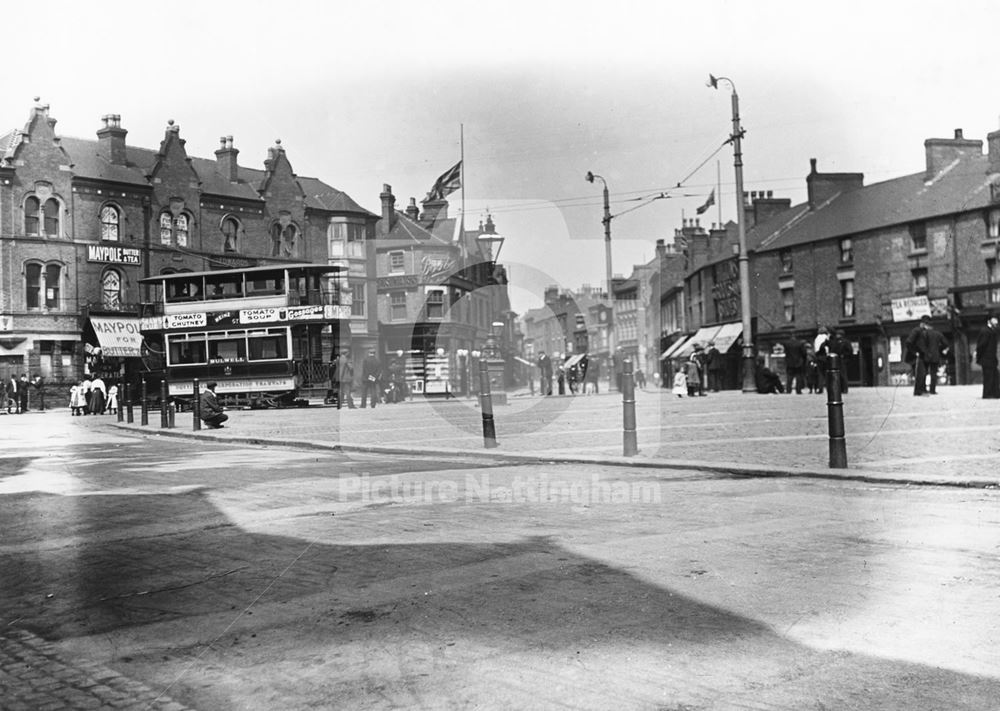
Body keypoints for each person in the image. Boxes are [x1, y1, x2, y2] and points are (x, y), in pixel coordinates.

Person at [906, 315, 948, 396]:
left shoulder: (923, 332)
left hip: (924, 355)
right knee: (922, 373)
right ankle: (920, 391)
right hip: (921, 355)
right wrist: (915, 352)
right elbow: (909, 342)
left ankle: (922, 390)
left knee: (923, 373)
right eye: (926, 324)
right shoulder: (918, 331)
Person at [975, 315, 1000, 399]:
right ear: (989, 321)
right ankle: (987, 394)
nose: (996, 321)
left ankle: (995, 393)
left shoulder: (992, 330)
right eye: (994, 319)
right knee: (988, 377)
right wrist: (979, 355)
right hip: (986, 358)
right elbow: (981, 345)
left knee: (995, 376)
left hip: (992, 358)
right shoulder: (985, 331)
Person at [813, 327, 830, 394]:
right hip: (825, 356)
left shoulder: (816, 338)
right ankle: (829, 387)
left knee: (820, 373)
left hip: (818, 357)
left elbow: (815, 349)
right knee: (827, 373)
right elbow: (827, 347)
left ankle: (820, 388)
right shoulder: (826, 337)